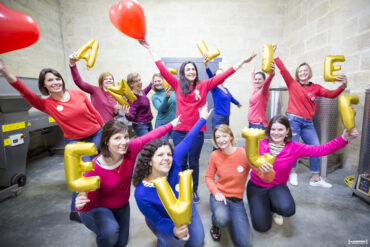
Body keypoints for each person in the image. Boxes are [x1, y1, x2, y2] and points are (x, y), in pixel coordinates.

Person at [138, 38, 257, 203]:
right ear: (183, 72)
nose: (191, 72)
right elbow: (160, 67)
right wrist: (149, 48)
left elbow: (226, 73)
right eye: (187, 70)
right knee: (180, 160)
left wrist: (243, 61)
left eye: (193, 69)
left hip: (197, 131)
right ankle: (181, 187)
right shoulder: (177, 84)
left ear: (196, 71)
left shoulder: (205, 84)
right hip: (179, 130)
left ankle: (193, 190)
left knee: (193, 161)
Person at [0, 58, 104, 223]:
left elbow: (94, 113)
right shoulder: (46, 104)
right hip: (75, 142)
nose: (55, 82)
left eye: (57, 78)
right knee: (82, 174)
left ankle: (97, 200)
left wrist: (104, 129)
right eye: (50, 80)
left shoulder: (77, 94)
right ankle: (76, 210)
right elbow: (23, 90)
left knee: (95, 167)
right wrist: (4, 71)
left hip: (96, 134)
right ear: (45, 85)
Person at [75, 116, 180, 247]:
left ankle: (107, 226)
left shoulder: (130, 149)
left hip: (122, 206)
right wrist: (81, 205)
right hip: (100, 207)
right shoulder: (93, 169)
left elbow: (150, 136)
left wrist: (171, 124)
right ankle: (103, 228)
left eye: (125, 137)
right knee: (110, 234)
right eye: (117, 138)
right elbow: (88, 202)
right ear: (107, 141)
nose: (123, 142)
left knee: (121, 242)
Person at [246, 115, 358, 232]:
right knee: (262, 227)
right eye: (273, 129)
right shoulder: (259, 144)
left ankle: (274, 209)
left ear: (287, 131)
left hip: (277, 186)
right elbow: (240, 154)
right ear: (269, 130)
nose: (276, 133)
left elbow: (321, 150)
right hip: (256, 186)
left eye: (280, 129)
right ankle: (260, 203)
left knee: (287, 210)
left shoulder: (294, 148)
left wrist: (344, 138)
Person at [133, 104, 212, 247]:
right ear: (149, 161)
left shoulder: (174, 161)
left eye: (168, 154)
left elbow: (188, 139)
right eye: (160, 155)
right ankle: (162, 239)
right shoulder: (141, 194)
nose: (166, 158)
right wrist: (173, 230)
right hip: (164, 218)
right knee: (176, 243)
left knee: (196, 242)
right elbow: (158, 219)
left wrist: (202, 119)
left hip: (187, 208)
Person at [274, 47, 348, 187]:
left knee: (316, 147)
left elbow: (332, 95)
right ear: (297, 74)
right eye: (300, 71)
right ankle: (293, 172)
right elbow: (283, 70)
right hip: (293, 120)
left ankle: (315, 177)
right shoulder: (292, 83)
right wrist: (274, 55)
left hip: (308, 123)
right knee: (292, 147)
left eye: (305, 70)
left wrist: (342, 86)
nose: (303, 73)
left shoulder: (316, 87)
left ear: (309, 73)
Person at [205, 124, 275, 246]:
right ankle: (215, 225)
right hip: (220, 196)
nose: (221, 140)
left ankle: (231, 217)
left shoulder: (244, 154)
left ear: (231, 137)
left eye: (224, 136)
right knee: (222, 219)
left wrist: (268, 170)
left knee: (244, 243)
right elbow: (209, 177)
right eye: (218, 137)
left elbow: (267, 178)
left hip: (237, 201)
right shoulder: (214, 155)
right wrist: (216, 192)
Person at [69, 53, 120, 123]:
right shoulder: (95, 90)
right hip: (96, 126)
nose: (109, 80)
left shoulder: (115, 95)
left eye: (110, 79)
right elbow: (79, 82)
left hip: (109, 127)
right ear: (101, 81)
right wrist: (72, 65)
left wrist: (116, 111)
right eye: (106, 79)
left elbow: (112, 114)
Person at [203, 55, 242, 130]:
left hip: (226, 118)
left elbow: (231, 98)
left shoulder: (226, 89)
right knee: (218, 138)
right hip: (218, 119)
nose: (221, 76)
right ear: (215, 77)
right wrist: (206, 66)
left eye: (222, 74)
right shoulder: (214, 88)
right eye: (219, 75)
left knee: (225, 138)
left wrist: (238, 103)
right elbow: (210, 76)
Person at [124, 72, 154, 137]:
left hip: (148, 122)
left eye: (139, 80)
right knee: (146, 144)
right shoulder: (132, 98)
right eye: (136, 81)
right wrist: (128, 114)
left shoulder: (140, 92)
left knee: (152, 142)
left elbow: (146, 90)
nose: (139, 82)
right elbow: (131, 117)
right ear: (131, 84)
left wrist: (152, 82)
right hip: (140, 126)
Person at [248, 64, 275, 130]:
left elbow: (267, 84)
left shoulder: (263, 92)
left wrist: (271, 75)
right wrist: (252, 72)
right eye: (256, 79)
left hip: (259, 125)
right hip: (251, 124)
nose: (257, 81)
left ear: (264, 81)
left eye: (260, 79)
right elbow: (253, 82)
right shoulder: (256, 90)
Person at [151, 73, 177, 141]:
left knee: (178, 144)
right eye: (155, 81)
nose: (157, 83)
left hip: (174, 123)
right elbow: (161, 109)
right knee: (163, 147)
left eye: (159, 81)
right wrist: (166, 98)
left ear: (163, 81)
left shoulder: (173, 92)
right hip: (161, 124)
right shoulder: (155, 96)